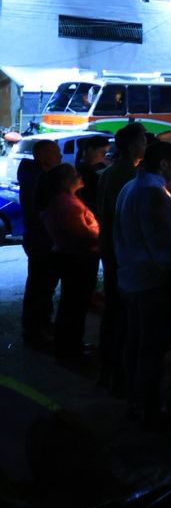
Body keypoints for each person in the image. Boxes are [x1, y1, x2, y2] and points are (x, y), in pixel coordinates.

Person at [115, 142, 171, 426]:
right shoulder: (151, 194)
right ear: (165, 164)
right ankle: (149, 408)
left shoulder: (131, 188)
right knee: (151, 347)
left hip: (133, 278)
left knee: (138, 342)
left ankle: (136, 401)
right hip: (152, 283)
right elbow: (162, 246)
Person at [96, 122, 148, 390]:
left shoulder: (109, 172)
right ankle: (118, 373)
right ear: (132, 147)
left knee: (114, 310)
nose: (145, 144)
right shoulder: (129, 175)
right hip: (122, 251)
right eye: (142, 139)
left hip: (109, 246)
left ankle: (108, 367)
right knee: (124, 313)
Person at [42, 164, 100, 364]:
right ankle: (70, 350)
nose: (80, 176)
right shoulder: (68, 205)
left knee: (72, 305)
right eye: (75, 174)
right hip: (76, 259)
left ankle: (70, 346)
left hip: (69, 256)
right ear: (65, 181)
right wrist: (96, 229)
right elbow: (83, 235)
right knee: (74, 306)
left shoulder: (64, 201)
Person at [19, 139, 62, 350]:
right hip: (40, 239)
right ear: (44, 156)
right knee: (39, 286)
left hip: (40, 238)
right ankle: (35, 332)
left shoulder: (35, 176)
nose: (60, 156)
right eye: (55, 153)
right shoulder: (38, 180)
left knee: (42, 286)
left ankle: (41, 324)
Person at [75, 135, 111, 215]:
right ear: (90, 149)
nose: (104, 156)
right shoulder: (79, 171)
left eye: (106, 153)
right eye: (102, 152)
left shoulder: (103, 166)